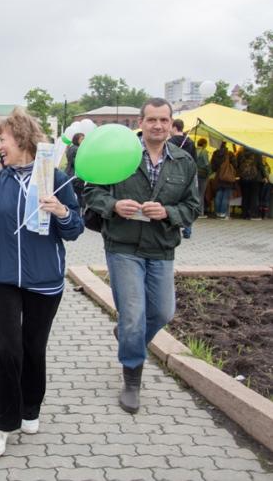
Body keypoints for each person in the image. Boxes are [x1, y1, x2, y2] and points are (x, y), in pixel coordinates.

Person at [0, 108, 83, 457]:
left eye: (2, 139)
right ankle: (3, 423)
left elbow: (74, 230)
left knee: (33, 348)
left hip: (45, 279)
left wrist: (62, 213)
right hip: (3, 277)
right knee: (6, 348)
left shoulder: (55, 177)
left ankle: (30, 408)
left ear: (22, 139)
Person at [84, 98, 200, 415]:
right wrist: (113, 206)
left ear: (171, 123)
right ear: (141, 122)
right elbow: (92, 191)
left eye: (164, 120)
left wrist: (167, 212)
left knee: (162, 312)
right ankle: (132, 379)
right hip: (123, 245)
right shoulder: (119, 154)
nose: (158, 125)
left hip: (161, 247)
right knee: (133, 316)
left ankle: (127, 337)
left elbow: (193, 208)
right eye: (152, 120)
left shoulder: (184, 162)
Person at [168, 120, 196, 238]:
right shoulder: (190, 142)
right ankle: (187, 229)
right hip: (187, 175)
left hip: (172, 175)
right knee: (186, 201)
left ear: (174, 127)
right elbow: (194, 160)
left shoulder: (170, 142)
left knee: (173, 201)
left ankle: (172, 225)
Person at [210, 143, 237, 219]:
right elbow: (235, 164)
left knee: (218, 194)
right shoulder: (229, 154)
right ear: (225, 145)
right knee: (225, 195)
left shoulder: (215, 153)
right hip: (228, 177)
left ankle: (218, 213)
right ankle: (223, 213)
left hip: (218, 177)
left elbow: (213, 166)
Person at [237, 147, 265, 220]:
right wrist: (265, 176)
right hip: (255, 178)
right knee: (254, 196)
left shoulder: (240, 153)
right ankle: (253, 214)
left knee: (245, 196)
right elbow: (260, 166)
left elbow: (237, 165)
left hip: (243, 178)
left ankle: (244, 214)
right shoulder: (257, 153)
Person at [64, 132, 86, 211]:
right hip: (76, 176)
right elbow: (78, 163)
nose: (84, 141)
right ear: (77, 140)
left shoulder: (71, 148)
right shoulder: (77, 149)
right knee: (78, 197)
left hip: (69, 174)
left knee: (70, 196)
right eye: (82, 139)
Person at [194, 138, 210, 216]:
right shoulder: (204, 152)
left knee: (195, 193)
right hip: (203, 174)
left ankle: (194, 210)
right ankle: (200, 212)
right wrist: (209, 173)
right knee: (201, 193)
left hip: (194, 173)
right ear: (204, 144)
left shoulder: (194, 150)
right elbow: (206, 164)